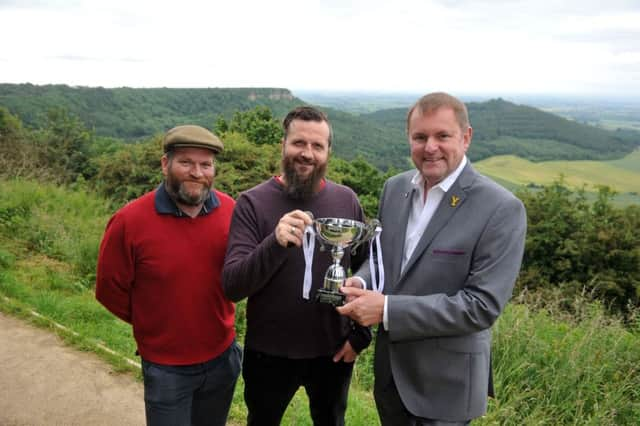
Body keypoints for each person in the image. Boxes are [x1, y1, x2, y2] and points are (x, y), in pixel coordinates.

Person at [337, 92, 527, 425]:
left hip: (446, 387)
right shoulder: (394, 189)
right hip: (392, 376)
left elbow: (481, 306)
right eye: (420, 137)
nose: (430, 147)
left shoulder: (501, 208)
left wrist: (385, 309)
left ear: (466, 138)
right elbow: (383, 259)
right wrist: (363, 280)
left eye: (443, 136)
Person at [222, 106, 372, 426]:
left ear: (328, 152)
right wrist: (274, 243)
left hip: (332, 351)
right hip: (268, 352)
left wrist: (361, 335)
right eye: (299, 143)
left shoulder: (346, 201)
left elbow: (368, 272)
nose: (307, 153)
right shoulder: (252, 203)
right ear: (283, 145)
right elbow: (233, 286)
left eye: (317, 146)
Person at [95, 125, 241, 426]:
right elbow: (109, 289)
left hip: (223, 359)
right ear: (165, 164)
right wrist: (155, 324)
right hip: (166, 368)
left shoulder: (232, 211)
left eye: (206, 164)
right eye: (186, 162)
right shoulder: (129, 221)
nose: (197, 172)